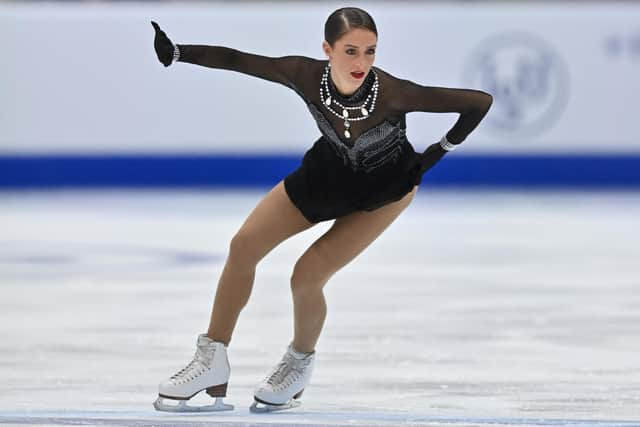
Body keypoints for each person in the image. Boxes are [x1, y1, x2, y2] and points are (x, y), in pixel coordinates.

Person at [150, 7, 493, 413]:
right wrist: (178, 52)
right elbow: (240, 61)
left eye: (370, 52)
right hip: (326, 175)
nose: (361, 62)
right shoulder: (305, 75)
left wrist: (439, 151)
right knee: (243, 246)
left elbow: (478, 102)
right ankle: (212, 359)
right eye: (351, 51)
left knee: (306, 276)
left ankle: (298, 363)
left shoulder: (396, 93)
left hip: (383, 193)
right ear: (327, 49)